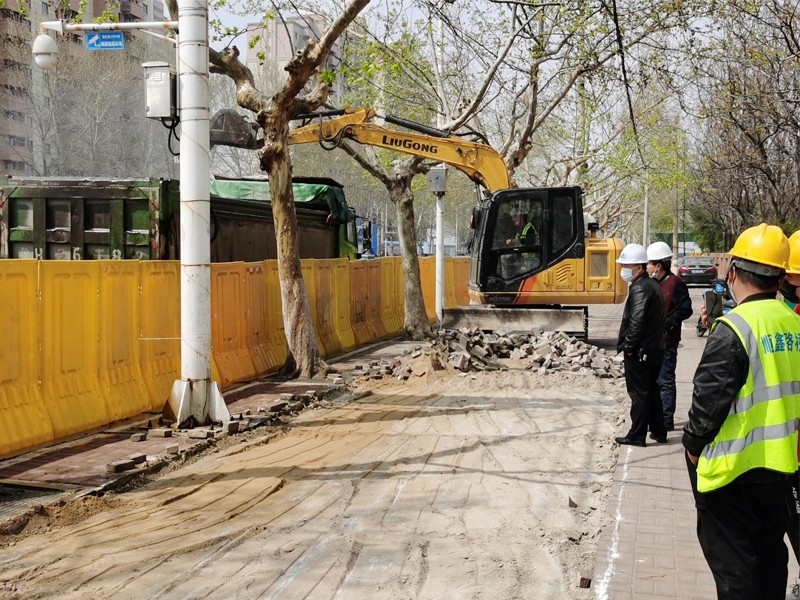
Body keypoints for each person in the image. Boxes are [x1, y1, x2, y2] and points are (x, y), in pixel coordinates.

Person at [683, 223, 800, 599]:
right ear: (780, 277)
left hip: (732, 475)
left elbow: (707, 406)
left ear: (732, 271)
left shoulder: (733, 328)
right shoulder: (794, 324)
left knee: (736, 574)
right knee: (770, 563)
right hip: (779, 470)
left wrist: (693, 446)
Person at [615, 243, 668, 447]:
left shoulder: (640, 289)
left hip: (641, 351)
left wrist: (629, 347)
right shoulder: (652, 285)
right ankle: (659, 430)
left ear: (638, 268)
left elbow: (636, 322)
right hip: (655, 349)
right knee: (652, 391)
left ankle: (637, 435)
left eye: (626, 266)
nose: (623, 270)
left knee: (638, 394)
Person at [645, 241, 693, 431]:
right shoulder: (653, 283)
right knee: (654, 381)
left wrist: (668, 324)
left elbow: (686, 309)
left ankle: (666, 419)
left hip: (667, 341)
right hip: (652, 342)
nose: (647, 267)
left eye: (649, 263)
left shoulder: (676, 283)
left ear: (658, 265)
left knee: (665, 381)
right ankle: (655, 418)